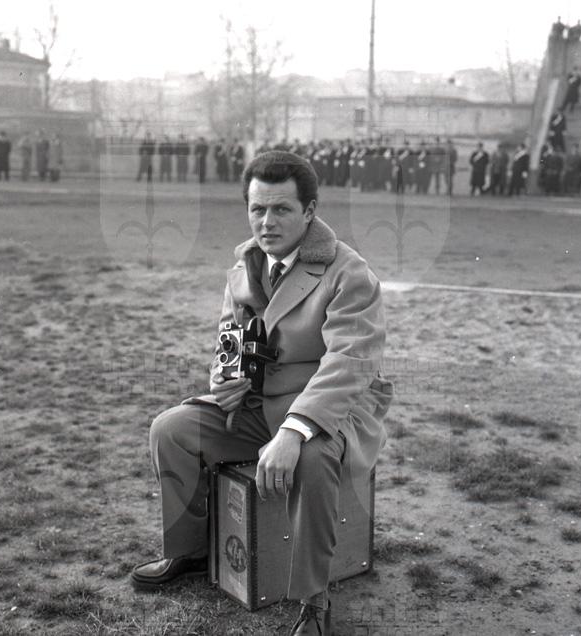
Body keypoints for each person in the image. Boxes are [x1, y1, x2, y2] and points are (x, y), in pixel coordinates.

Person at [130, 151, 393, 636]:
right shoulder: (245, 265)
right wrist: (223, 379)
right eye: (257, 209)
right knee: (171, 430)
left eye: (281, 209)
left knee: (311, 460)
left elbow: (349, 363)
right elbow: (227, 338)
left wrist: (294, 431)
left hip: (331, 408)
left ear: (309, 211)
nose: (266, 222)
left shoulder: (348, 273)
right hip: (257, 403)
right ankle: (192, 551)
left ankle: (314, 599)